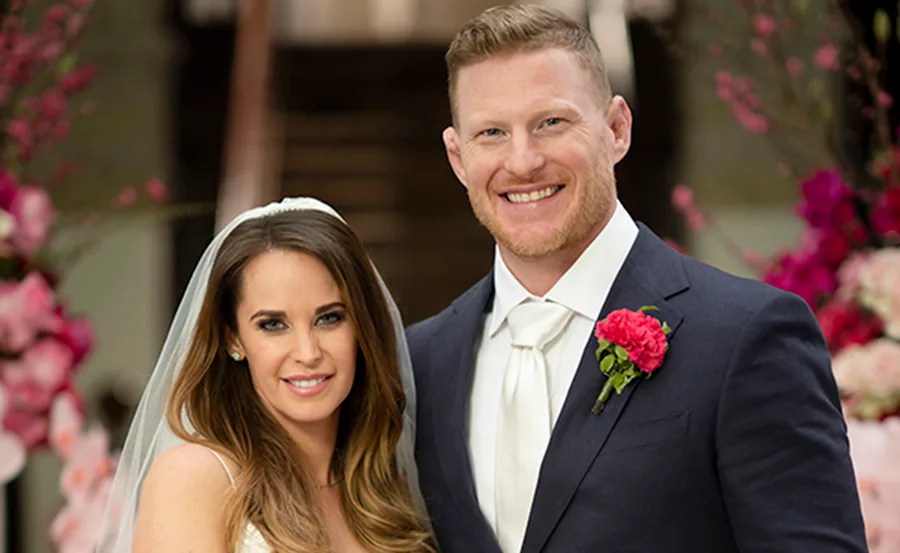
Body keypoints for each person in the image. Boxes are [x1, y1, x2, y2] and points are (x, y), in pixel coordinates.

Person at [407, 5, 868, 553]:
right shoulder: (420, 362)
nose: (523, 160)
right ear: (458, 158)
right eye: (492, 132)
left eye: (551, 122)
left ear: (616, 129)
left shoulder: (748, 337)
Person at [97, 198, 436, 553]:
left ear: (361, 327)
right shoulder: (194, 479)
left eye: (329, 318)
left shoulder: (383, 487)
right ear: (233, 339)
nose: (307, 353)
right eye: (273, 325)